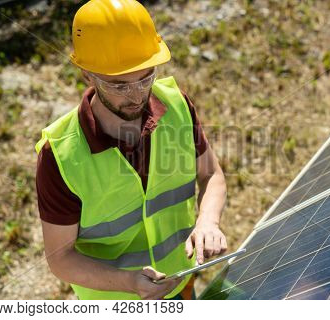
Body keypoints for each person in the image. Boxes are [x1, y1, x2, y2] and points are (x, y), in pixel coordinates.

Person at [35, 0, 227, 300]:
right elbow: (60, 258)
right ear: (87, 74)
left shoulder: (176, 105)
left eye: (145, 77)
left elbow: (211, 173)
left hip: (178, 279)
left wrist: (208, 221)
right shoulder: (59, 155)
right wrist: (129, 282)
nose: (137, 95)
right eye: (120, 85)